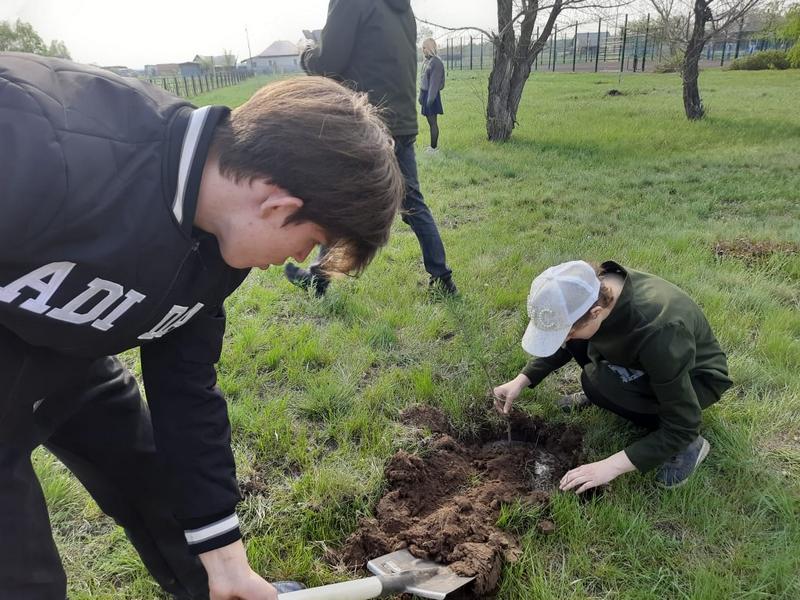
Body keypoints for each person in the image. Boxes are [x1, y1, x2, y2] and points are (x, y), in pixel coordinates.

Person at [0, 53, 403, 600]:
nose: (297, 257)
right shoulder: (39, 137)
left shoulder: (219, 245)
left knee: (155, 483)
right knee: (25, 580)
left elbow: (186, 389)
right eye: (311, 245)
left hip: (75, 344)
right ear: (277, 205)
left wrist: (227, 562)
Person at [493, 260, 732, 491]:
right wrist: (522, 379)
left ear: (596, 313)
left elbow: (683, 424)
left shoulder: (658, 332)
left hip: (694, 380)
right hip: (646, 359)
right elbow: (569, 343)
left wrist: (609, 466)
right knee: (593, 379)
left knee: (598, 383)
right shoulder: (589, 290)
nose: (564, 339)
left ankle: (690, 446)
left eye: (566, 333)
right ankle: (614, 392)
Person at [283, 0, 457, 297]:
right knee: (411, 202)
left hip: (367, 120)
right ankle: (442, 279)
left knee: (340, 199)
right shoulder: (400, 6)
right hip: (400, 120)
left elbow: (328, 61)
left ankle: (319, 278)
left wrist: (306, 52)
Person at [419, 38, 445, 152]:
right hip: (426, 95)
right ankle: (432, 147)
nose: (422, 50)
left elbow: (434, 85)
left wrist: (429, 101)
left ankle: (434, 149)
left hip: (432, 97)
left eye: (424, 47)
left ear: (430, 48)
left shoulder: (436, 62)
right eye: (422, 47)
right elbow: (424, 80)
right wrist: (421, 96)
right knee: (431, 123)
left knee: (433, 123)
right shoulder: (427, 61)